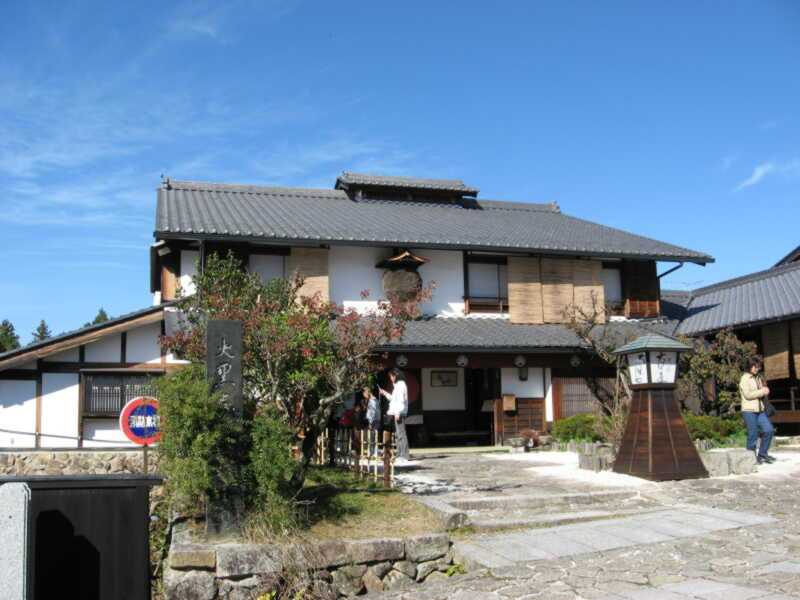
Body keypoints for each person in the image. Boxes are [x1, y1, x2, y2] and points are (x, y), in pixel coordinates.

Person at [739, 356, 775, 464]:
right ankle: (751, 458)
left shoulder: (758, 377)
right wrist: (762, 391)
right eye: (755, 366)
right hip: (749, 410)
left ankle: (762, 454)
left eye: (758, 366)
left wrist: (764, 389)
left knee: (769, 430)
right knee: (753, 434)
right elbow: (747, 395)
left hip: (760, 410)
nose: (757, 368)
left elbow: (760, 392)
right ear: (749, 366)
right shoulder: (745, 378)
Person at [380, 368, 410, 462]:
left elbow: (401, 400)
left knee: (401, 434)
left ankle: (404, 455)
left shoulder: (401, 385)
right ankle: (400, 454)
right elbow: (393, 399)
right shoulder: (398, 385)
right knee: (398, 434)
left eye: (392, 376)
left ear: (396, 376)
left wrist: (397, 413)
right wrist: (385, 393)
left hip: (399, 412)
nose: (391, 378)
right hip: (397, 412)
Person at [362, 386, 381, 456]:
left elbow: (372, 412)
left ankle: (373, 452)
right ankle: (373, 451)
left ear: (367, 393)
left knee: (372, 436)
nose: (365, 397)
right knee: (373, 436)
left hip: (373, 421)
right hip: (376, 420)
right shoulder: (375, 400)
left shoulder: (372, 401)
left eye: (365, 395)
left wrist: (370, 422)